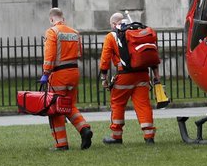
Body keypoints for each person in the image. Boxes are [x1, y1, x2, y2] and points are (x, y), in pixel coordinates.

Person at [99, 13, 157, 145]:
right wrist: (156, 77)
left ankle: (116, 136)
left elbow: (105, 59)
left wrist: (104, 77)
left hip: (124, 76)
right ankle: (149, 136)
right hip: (142, 74)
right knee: (143, 104)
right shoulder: (139, 32)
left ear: (114, 24)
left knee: (118, 104)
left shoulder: (111, 36)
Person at [40, 8, 93, 151]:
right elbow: (79, 53)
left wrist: (46, 72)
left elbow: (50, 55)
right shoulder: (74, 32)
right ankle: (84, 129)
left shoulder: (52, 32)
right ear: (63, 18)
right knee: (68, 105)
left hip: (59, 74)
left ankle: (61, 144)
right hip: (74, 72)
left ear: (52, 19)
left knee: (55, 109)